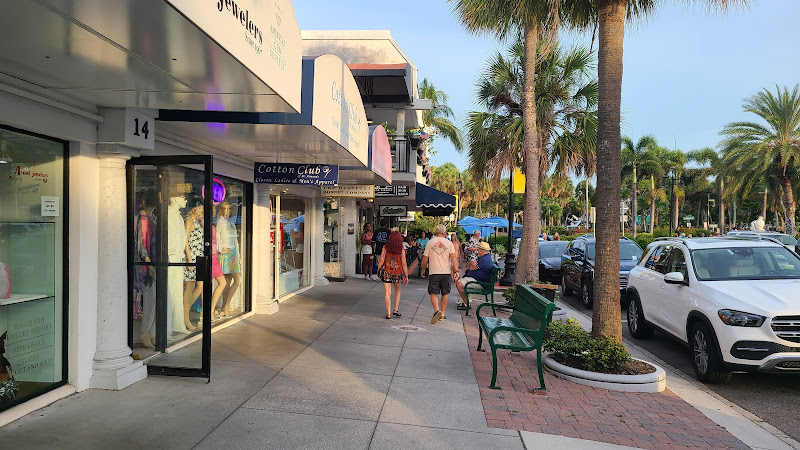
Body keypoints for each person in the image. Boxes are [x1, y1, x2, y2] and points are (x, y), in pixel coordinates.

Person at [421, 224, 459, 324]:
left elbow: (425, 258)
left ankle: (437, 310)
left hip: (434, 272)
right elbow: (453, 257)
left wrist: (423, 269)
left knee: (433, 292)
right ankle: (442, 314)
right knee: (445, 292)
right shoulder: (449, 243)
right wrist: (456, 271)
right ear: (444, 232)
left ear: (435, 232)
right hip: (446, 272)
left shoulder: (430, 242)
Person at [134, 190, 157, 348]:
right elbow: (142, 244)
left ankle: (152, 333)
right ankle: (144, 333)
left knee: (155, 301)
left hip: (153, 262)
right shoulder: (143, 220)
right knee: (150, 300)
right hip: (146, 265)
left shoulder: (151, 218)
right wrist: (148, 263)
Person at [217, 202, 241, 318]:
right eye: (226, 209)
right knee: (237, 280)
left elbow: (235, 239)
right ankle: (225, 306)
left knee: (229, 280)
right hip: (226, 254)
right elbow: (217, 236)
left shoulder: (230, 221)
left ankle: (224, 307)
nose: (228, 211)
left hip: (233, 253)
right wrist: (220, 249)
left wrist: (239, 255)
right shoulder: (220, 222)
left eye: (230, 208)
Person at [377, 231, 409, 319]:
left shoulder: (385, 247)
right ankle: (395, 309)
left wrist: (379, 270)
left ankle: (388, 313)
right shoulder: (401, 249)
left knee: (387, 293)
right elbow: (404, 263)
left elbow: (381, 260)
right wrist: (406, 275)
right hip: (397, 273)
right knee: (397, 291)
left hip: (387, 272)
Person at [456, 242, 494, 309]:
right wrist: (470, 263)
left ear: (482, 250)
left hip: (480, 282)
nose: (477, 250)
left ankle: (466, 303)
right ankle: (465, 301)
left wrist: (470, 263)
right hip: (477, 279)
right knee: (460, 282)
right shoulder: (483, 257)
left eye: (478, 249)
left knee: (459, 284)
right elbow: (470, 266)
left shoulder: (484, 260)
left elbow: (470, 268)